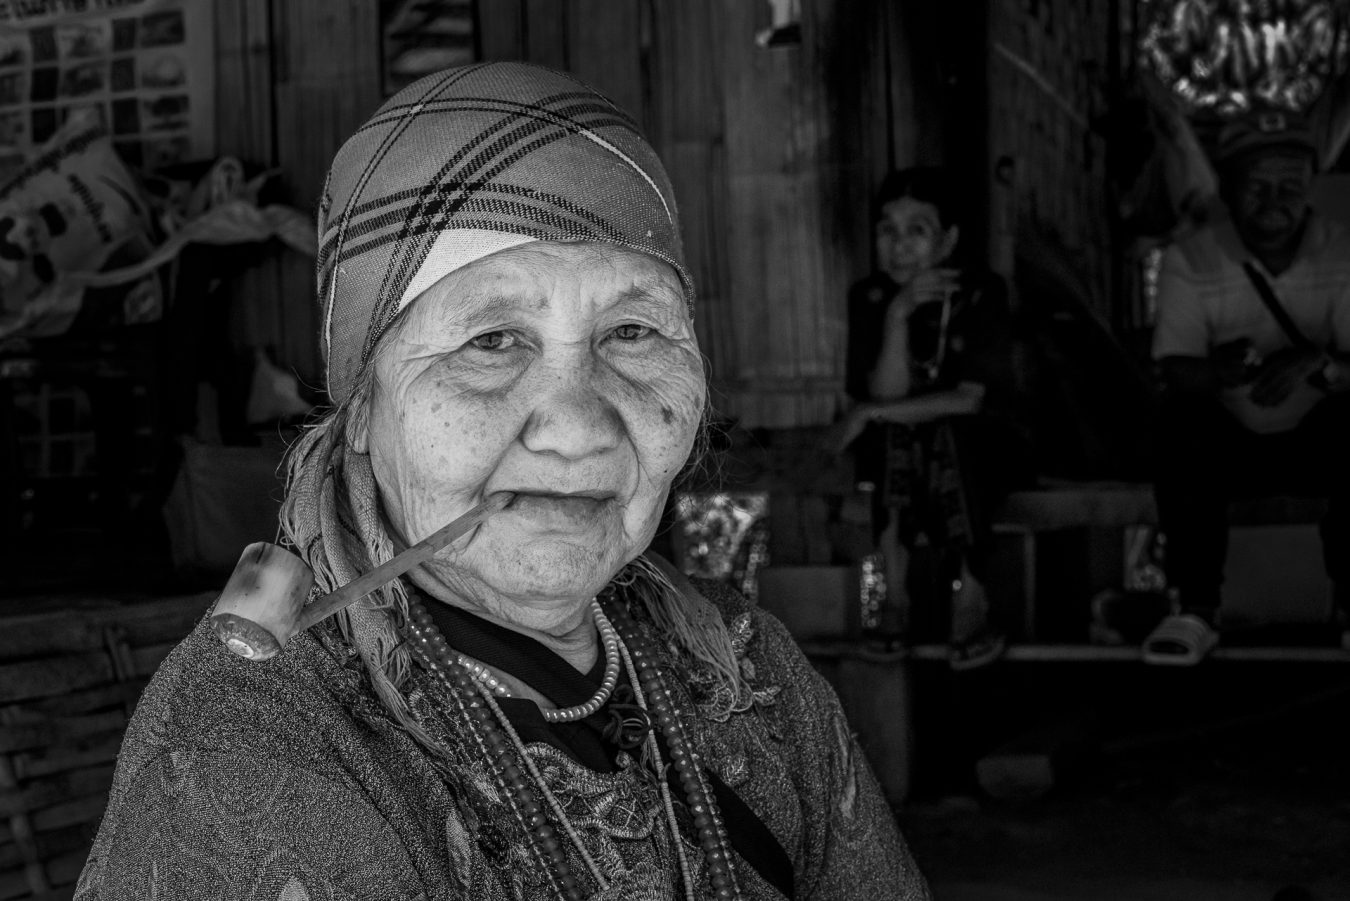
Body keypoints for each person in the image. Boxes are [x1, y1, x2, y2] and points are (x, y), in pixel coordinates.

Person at [74, 63, 931, 900]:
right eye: (492, 341)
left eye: (634, 331)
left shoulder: (753, 671)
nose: (579, 426)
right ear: (364, 410)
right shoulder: (253, 749)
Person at [1147, 105, 1350, 665]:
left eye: (1289, 185)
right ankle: (1195, 610)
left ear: (1310, 186)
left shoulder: (1343, 252)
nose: (1273, 201)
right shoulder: (1191, 259)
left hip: (1316, 441)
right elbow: (1171, 368)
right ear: (1230, 191)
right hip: (1227, 446)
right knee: (1180, 424)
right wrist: (1219, 370)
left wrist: (1317, 362)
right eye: (1256, 186)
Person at [834, 167, 1032, 668]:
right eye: (888, 230)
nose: (899, 245)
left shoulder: (983, 292)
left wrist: (872, 412)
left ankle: (971, 595)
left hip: (983, 451)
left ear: (948, 240)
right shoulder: (872, 297)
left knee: (941, 429)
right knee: (898, 433)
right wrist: (899, 315)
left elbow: (969, 400)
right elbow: (886, 389)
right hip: (905, 459)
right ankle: (895, 596)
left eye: (917, 231)